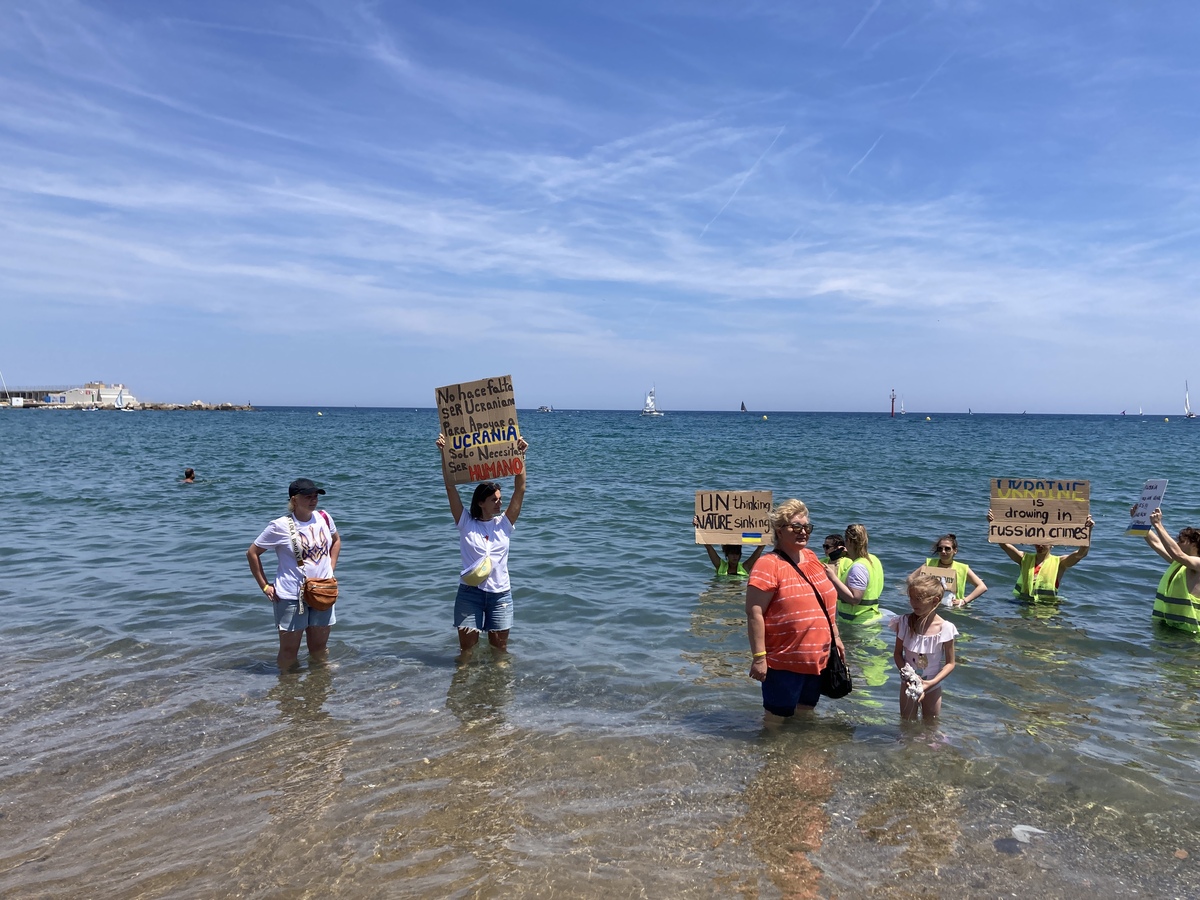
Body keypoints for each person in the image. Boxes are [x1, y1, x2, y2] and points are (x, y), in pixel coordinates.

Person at [745, 499, 844, 718]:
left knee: (805, 717)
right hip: (783, 663)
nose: (803, 532)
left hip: (818, 659)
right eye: (796, 527)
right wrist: (759, 658)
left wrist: (836, 637)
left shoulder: (811, 557)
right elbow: (754, 613)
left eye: (807, 527)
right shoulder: (768, 564)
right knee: (775, 722)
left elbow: (825, 603)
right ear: (779, 531)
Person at [436, 434, 529, 656]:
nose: (499, 503)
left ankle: (496, 680)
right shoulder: (465, 523)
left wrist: (520, 456)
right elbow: (450, 488)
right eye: (494, 500)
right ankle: (464, 679)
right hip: (470, 594)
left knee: (500, 651)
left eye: (500, 499)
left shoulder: (504, 524)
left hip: (500, 594)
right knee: (466, 651)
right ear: (480, 502)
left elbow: (520, 489)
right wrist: (444, 455)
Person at [246, 478, 341, 669]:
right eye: (308, 496)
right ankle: (287, 683)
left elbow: (336, 541)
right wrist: (265, 586)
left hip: (323, 591)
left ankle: (319, 682)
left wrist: (330, 568)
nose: (313, 500)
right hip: (291, 595)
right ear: (294, 500)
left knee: (319, 648)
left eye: (315, 496)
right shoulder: (280, 526)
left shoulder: (324, 517)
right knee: (289, 651)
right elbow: (252, 553)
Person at [891, 569, 958, 720]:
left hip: (932, 684)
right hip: (909, 683)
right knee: (906, 723)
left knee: (931, 724)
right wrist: (909, 677)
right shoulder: (904, 622)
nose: (913, 603)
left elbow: (950, 663)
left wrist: (930, 683)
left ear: (935, 600)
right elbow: (897, 654)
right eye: (911, 598)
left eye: (918, 599)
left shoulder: (945, 628)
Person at [988, 509, 1094, 603]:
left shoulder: (1060, 563)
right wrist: (994, 523)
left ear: (1052, 544)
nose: (1040, 545)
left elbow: (1081, 553)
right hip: (1024, 604)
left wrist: (1088, 531)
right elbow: (1004, 545)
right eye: (1037, 541)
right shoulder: (1024, 558)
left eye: (1044, 542)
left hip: (1047, 607)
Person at [1145, 508, 1200, 633]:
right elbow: (1157, 543)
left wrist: (1158, 524)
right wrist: (1140, 522)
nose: (1177, 544)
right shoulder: (1180, 563)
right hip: (1169, 628)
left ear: (1194, 545)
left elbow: (1178, 554)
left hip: (1190, 635)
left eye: (1181, 541)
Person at [824, 523, 884, 623]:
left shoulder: (858, 566)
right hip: (871, 616)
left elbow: (854, 599)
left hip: (856, 622)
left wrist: (833, 578)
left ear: (849, 541)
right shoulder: (873, 559)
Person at [924, 534, 988, 607]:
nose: (943, 551)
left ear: (955, 551)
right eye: (940, 549)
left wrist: (964, 601)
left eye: (947, 549)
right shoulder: (929, 563)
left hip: (954, 609)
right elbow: (913, 579)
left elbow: (982, 587)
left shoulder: (962, 568)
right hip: (931, 606)